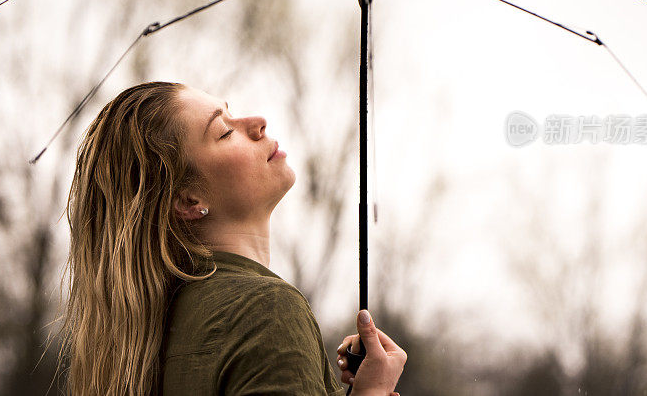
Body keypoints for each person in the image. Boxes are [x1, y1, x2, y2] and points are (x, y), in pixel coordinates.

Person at [55, 81, 407, 395]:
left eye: (231, 114)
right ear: (189, 200)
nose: (256, 122)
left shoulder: (155, 327)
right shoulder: (266, 310)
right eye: (224, 131)